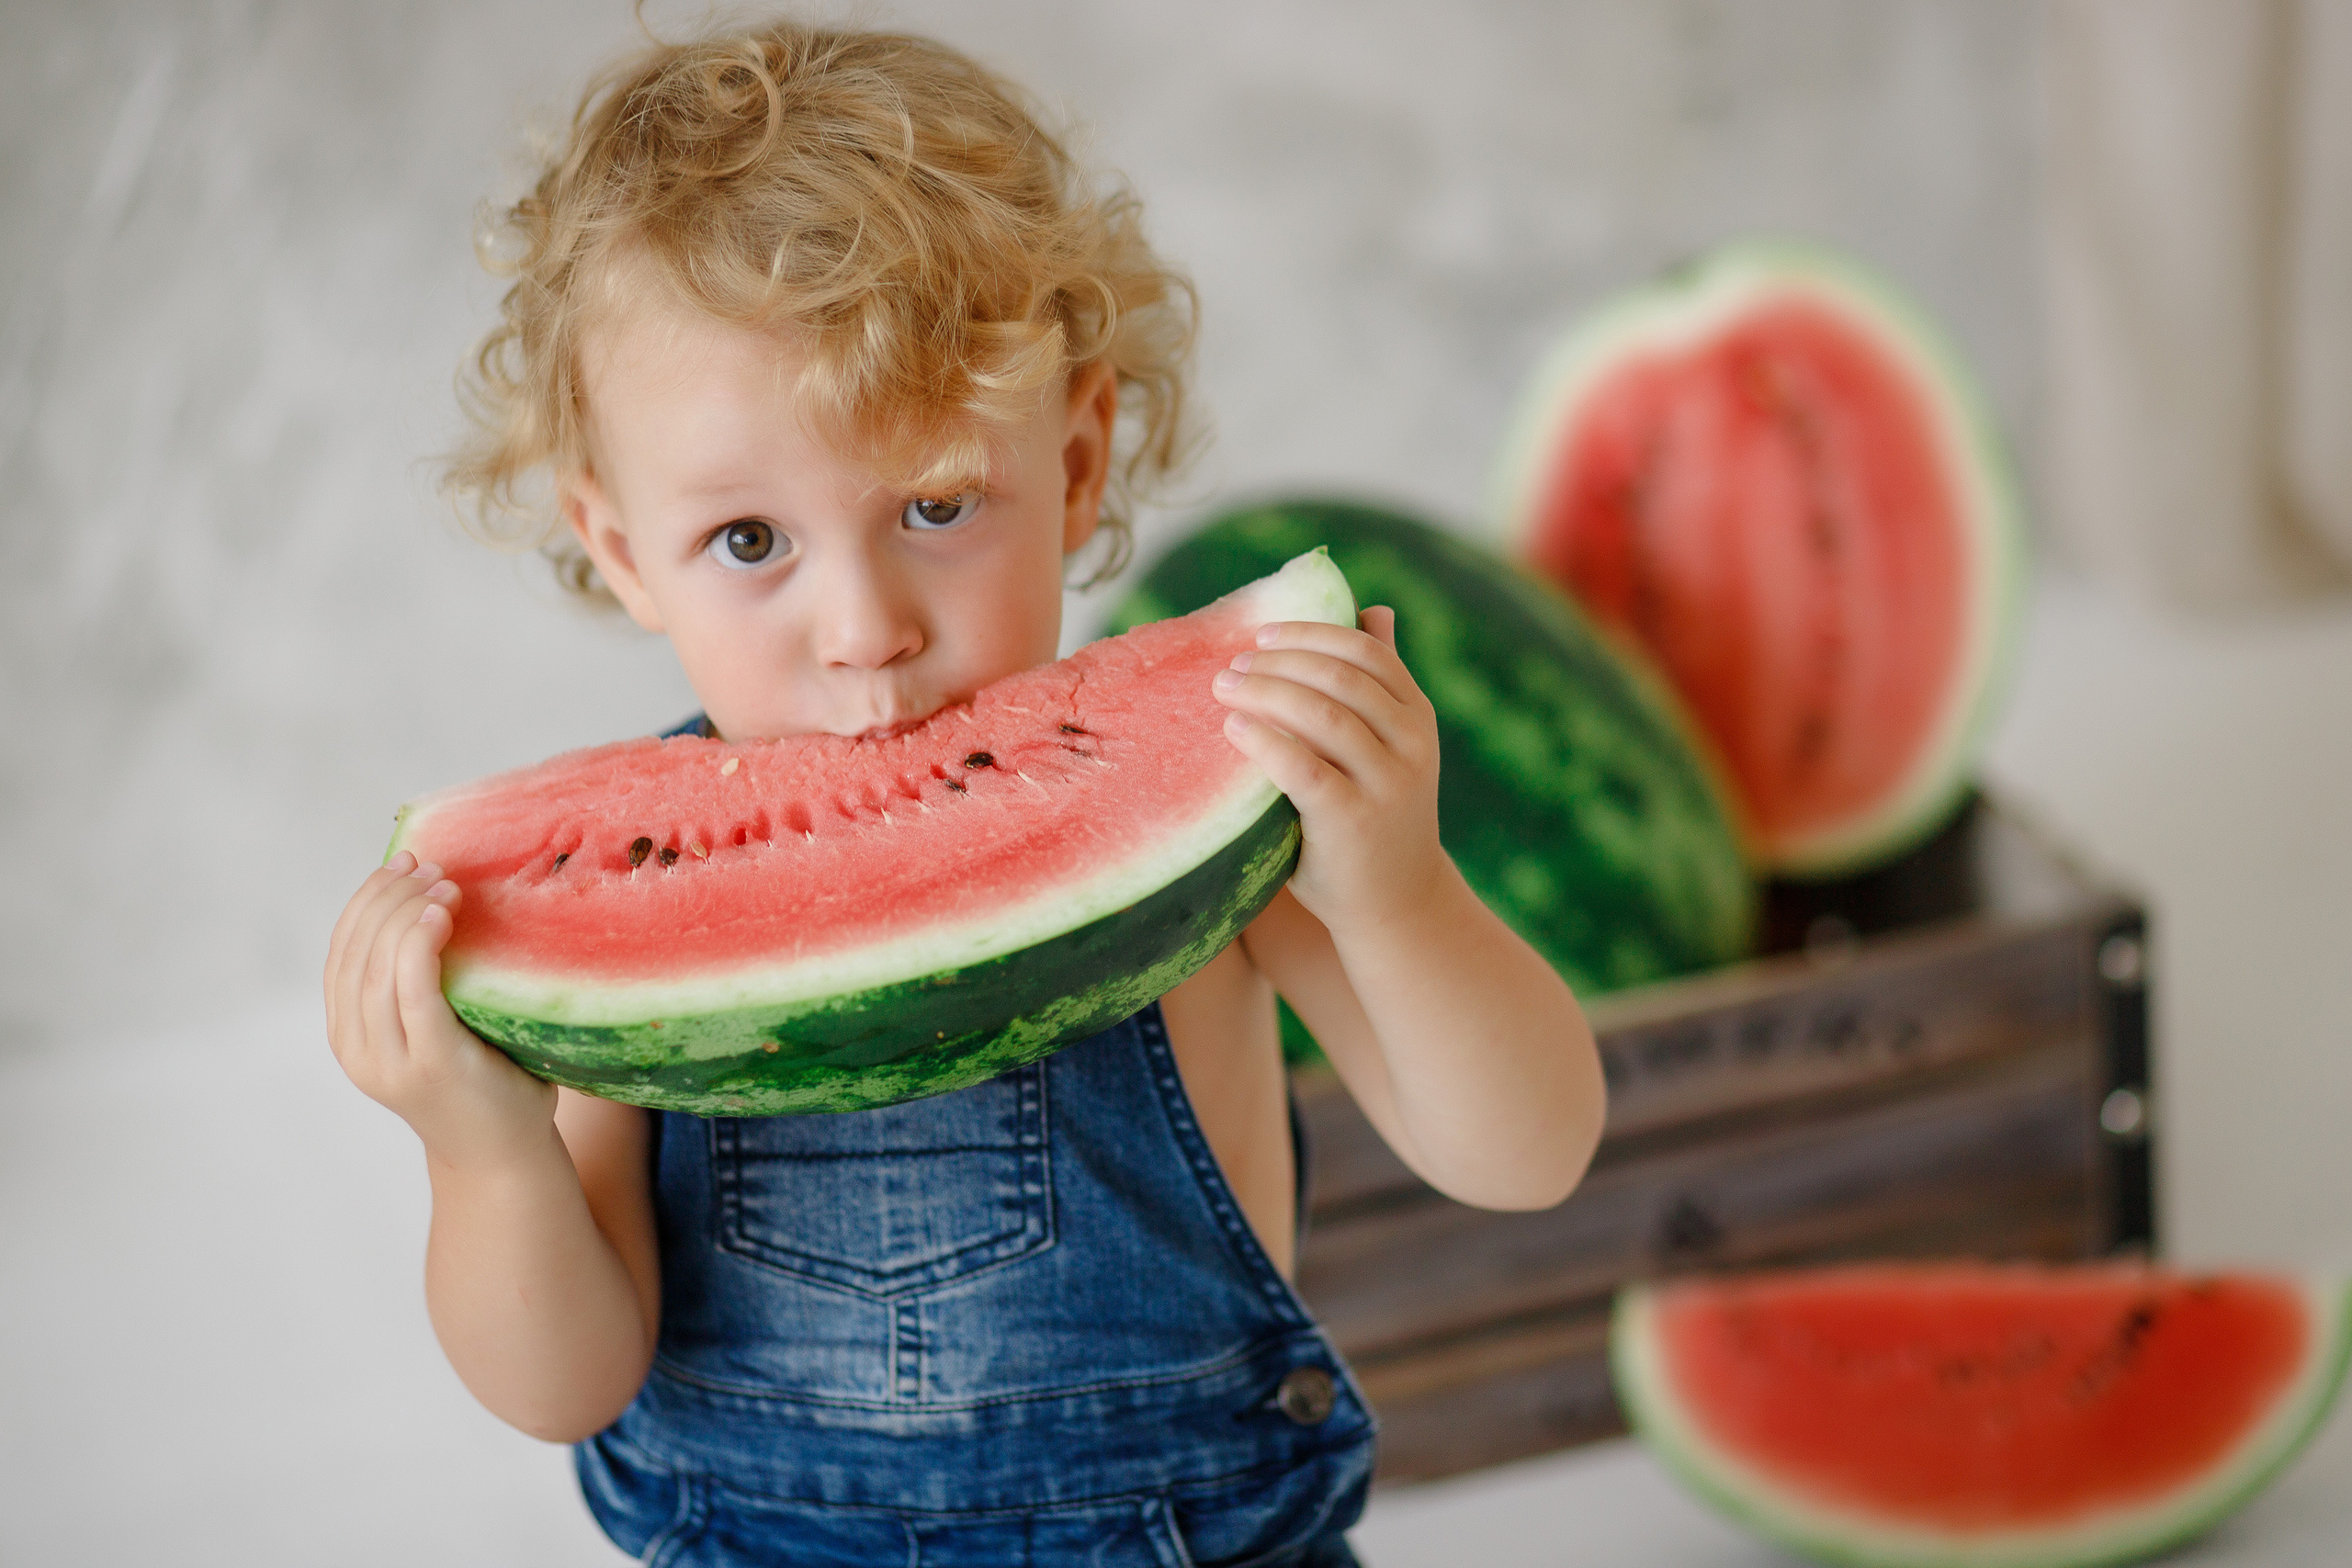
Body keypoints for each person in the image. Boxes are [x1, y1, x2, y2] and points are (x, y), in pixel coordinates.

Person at [323, 17, 1605, 1565]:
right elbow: (567, 1384)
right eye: (750, 541)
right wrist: (480, 1150)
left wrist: (1399, 893)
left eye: (937, 504)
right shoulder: (628, 900)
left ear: (1074, 465)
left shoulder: (1226, 796)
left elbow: (1527, 1155)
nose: (866, 632)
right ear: (618, 548)